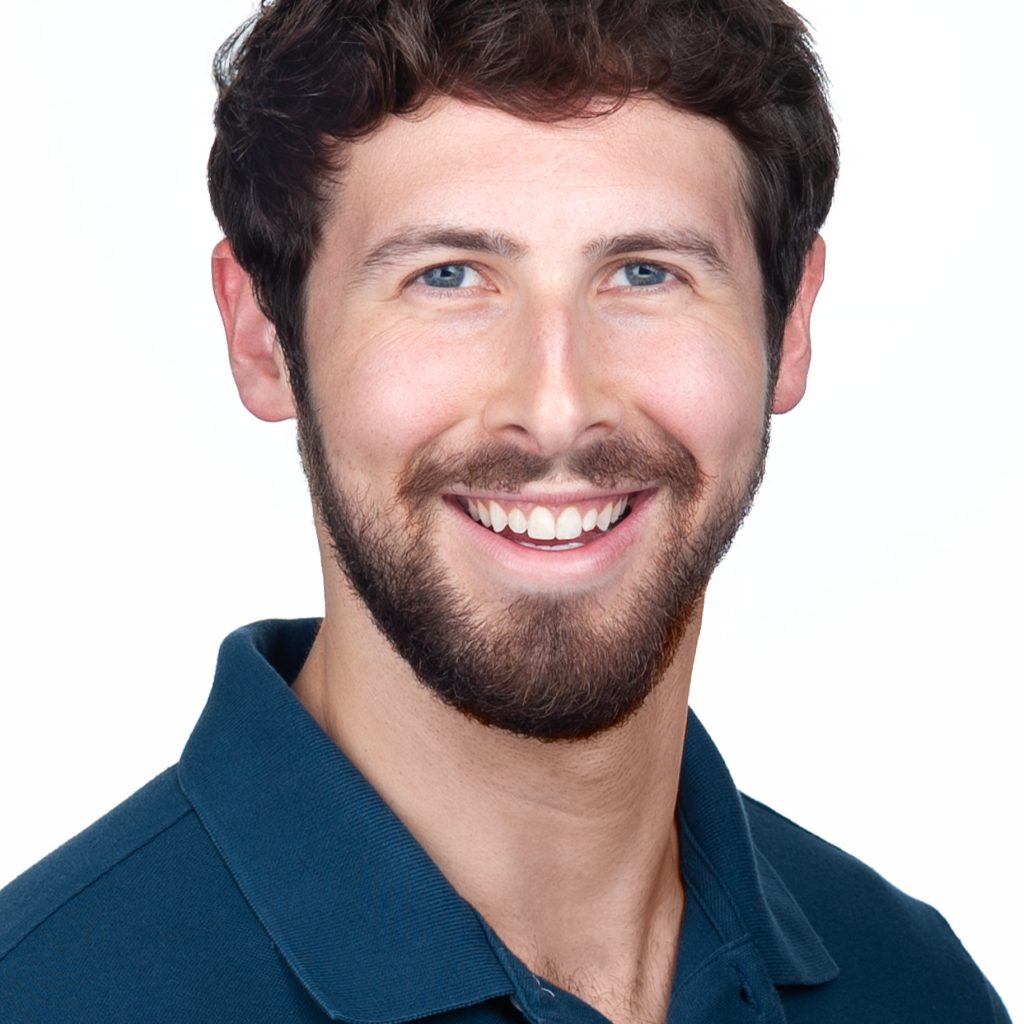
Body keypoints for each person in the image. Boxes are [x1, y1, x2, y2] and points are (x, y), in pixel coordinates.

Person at [0, 1, 1012, 1021]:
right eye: (447, 276)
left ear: (787, 324)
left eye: (643, 272)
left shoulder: (915, 984)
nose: (555, 406)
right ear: (263, 334)